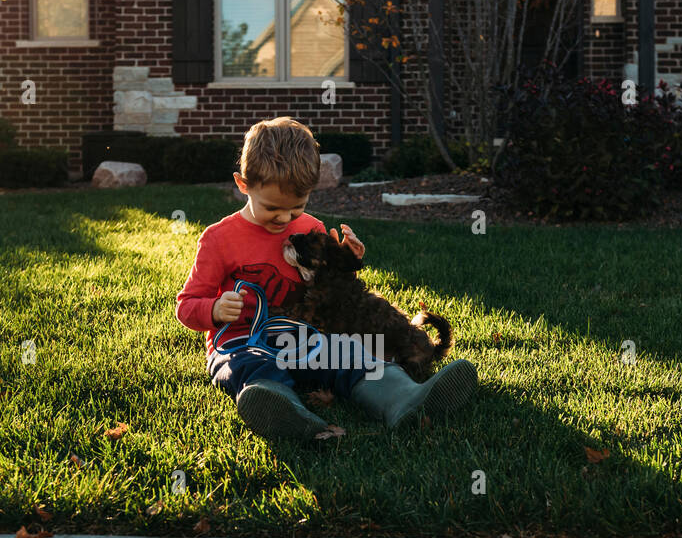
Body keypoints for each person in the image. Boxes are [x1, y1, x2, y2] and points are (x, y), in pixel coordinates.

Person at [175, 116, 477, 440]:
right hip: (242, 342)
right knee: (253, 366)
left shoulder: (311, 227)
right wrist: (214, 310)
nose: (284, 218)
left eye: (296, 207)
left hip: (303, 339)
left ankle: (404, 398)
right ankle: (284, 411)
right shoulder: (219, 239)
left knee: (349, 352)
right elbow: (187, 306)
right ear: (243, 185)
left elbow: (331, 285)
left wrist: (348, 259)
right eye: (272, 208)